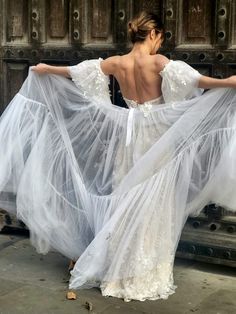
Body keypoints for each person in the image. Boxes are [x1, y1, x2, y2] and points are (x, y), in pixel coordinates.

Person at [0, 11, 236, 302]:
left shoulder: (117, 63)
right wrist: (230, 83)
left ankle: (118, 270)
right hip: (157, 141)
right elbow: (199, 82)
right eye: (160, 39)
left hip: (128, 141)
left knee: (125, 202)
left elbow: (75, 71)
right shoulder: (160, 63)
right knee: (152, 204)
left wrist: (47, 68)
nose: (159, 46)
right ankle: (143, 273)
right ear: (153, 34)